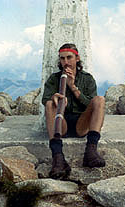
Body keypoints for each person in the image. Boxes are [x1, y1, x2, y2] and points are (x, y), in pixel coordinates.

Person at [42, 43, 106, 179]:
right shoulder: (54, 79)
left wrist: (73, 87)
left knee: (99, 100)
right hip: (61, 124)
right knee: (49, 104)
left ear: (77, 58)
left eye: (69, 57)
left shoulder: (87, 79)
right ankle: (58, 158)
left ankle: (91, 151)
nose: (66, 62)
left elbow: (91, 104)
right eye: (62, 58)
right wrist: (54, 98)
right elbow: (45, 100)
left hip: (81, 124)